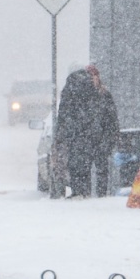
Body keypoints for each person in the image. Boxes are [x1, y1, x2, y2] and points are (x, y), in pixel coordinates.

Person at [52, 65, 120, 198]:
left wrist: (109, 138)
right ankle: (83, 192)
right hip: (88, 138)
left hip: (100, 138)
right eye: (90, 77)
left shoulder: (104, 95)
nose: (92, 80)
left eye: (94, 76)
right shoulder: (81, 97)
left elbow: (111, 119)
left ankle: (100, 194)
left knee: (100, 168)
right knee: (83, 166)